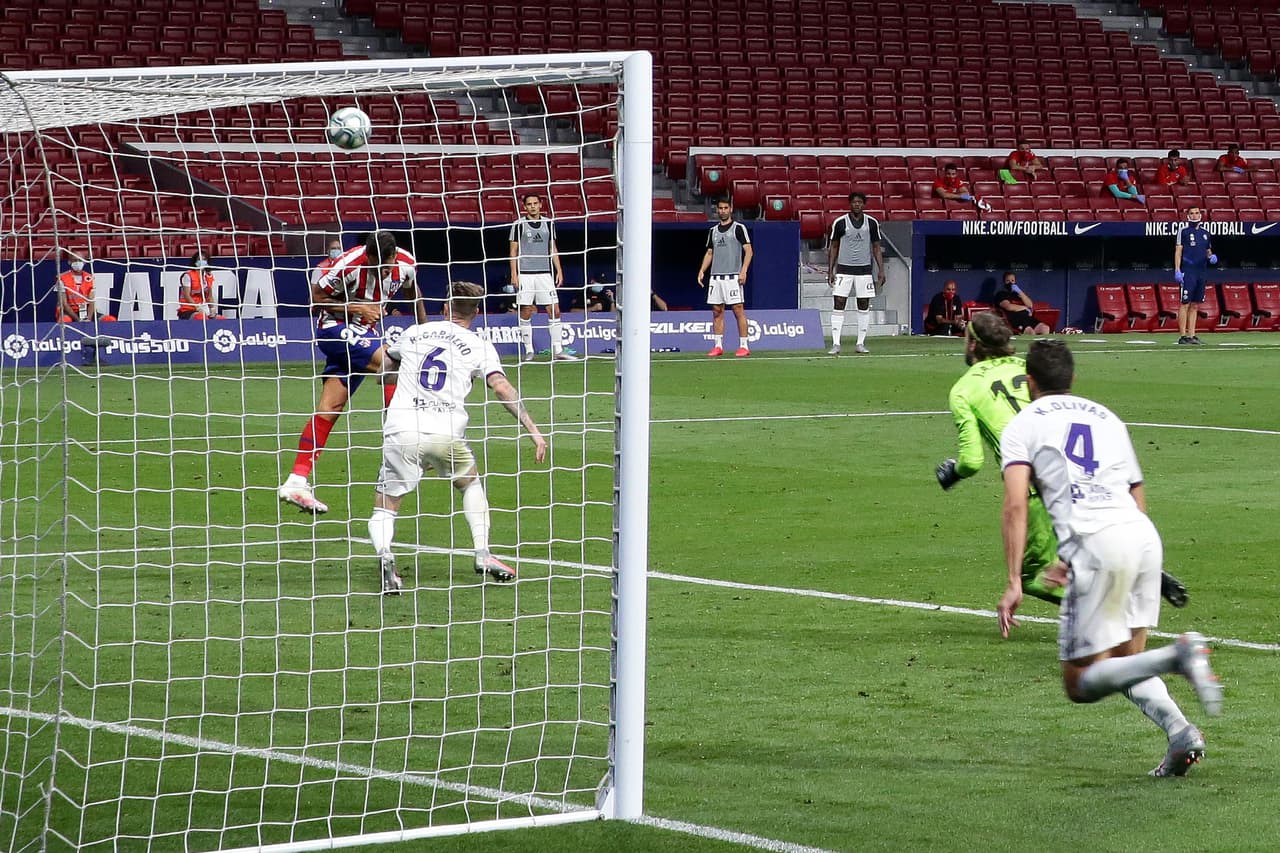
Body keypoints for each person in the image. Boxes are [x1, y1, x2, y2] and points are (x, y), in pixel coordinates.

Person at [997, 339, 1221, 778]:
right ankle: (1180, 733)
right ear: (1073, 379)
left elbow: (1015, 504)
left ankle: (1178, 656)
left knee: (1080, 684)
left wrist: (1014, 581)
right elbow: (1136, 493)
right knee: (1122, 659)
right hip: (1140, 537)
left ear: (1028, 382)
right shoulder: (1107, 417)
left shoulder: (1022, 424)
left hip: (1099, 544)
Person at [935, 312, 1187, 609]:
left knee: (1033, 575)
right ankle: (1129, 575)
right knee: (1074, 554)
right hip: (1077, 471)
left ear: (973, 345)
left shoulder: (964, 389)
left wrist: (954, 472)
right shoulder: (1029, 367)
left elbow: (972, 460)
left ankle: (1105, 605)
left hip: (1033, 480)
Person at [368, 281, 548, 594]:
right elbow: (502, 388)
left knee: (386, 505)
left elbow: (385, 367)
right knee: (470, 484)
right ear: (476, 311)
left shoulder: (413, 333)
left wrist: (390, 374)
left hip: (402, 429)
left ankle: (385, 556)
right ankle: (482, 553)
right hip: (446, 433)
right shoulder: (479, 345)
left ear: (446, 307)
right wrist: (534, 432)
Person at [278, 230, 426, 514]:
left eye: (382, 267)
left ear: (393, 258)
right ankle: (402, 441)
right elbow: (315, 300)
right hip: (333, 329)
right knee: (391, 364)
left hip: (363, 335)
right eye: (373, 266)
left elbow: (412, 291)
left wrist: (425, 329)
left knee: (330, 407)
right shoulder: (347, 265)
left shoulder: (406, 263)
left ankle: (296, 480)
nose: (377, 271)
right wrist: (355, 306)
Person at [510, 194, 576, 361]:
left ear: (540, 205)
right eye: (529, 204)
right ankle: (529, 350)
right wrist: (514, 274)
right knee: (526, 311)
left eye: (535, 203)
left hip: (545, 274)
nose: (532, 206)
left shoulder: (548, 223)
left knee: (554, 309)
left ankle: (558, 350)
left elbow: (552, 248)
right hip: (525, 274)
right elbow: (513, 252)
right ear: (524, 206)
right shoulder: (519, 225)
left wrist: (559, 270)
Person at [826, 191, 886, 355]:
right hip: (844, 269)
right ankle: (836, 343)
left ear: (864, 204)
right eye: (854, 202)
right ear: (850, 204)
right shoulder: (840, 222)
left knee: (864, 305)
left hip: (864, 270)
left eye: (860, 202)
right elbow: (834, 247)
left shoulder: (872, 223)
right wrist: (830, 269)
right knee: (839, 303)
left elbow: (876, 247)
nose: (857, 205)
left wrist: (881, 270)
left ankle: (860, 343)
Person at [696, 197, 753, 357]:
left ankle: (744, 345)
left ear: (731, 209)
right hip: (716, 277)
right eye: (720, 208)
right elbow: (709, 252)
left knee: (738, 309)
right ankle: (718, 345)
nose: (722, 211)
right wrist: (702, 270)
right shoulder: (713, 231)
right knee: (716, 311)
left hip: (733, 276)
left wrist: (744, 271)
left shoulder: (738, 228)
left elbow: (748, 250)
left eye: (725, 208)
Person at [57, 251, 117, 366]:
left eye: (80, 260)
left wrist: (88, 318)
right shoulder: (62, 278)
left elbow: (91, 301)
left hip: (86, 311)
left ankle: (105, 353)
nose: (77, 263)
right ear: (69, 262)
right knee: (65, 321)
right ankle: (66, 355)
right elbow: (63, 302)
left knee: (110, 319)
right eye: (75, 260)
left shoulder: (89, 278)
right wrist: (77, 318)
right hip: (70, 311)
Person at [1174, 205, 1217, 346]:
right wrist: (1177, 269)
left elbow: (1207, 250)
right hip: (1188, 271)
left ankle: (1192, 335)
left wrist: (1211, 256)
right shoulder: (1183, 231)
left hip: (1201, 272)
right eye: (1191, 213)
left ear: (1200, 214)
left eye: (1197, 213)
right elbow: (1178, 251)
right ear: (1187, 215)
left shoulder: (1205, 233)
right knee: (1185, 303)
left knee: (1195, 305)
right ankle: (1183, 336)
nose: (1194, 215)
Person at [992, 271, 1051, 336]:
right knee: (1030, 332)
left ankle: (1042, 346)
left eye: (1012, 280)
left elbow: (1030, 305)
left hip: (1027, 318)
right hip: (1014, 320)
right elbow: (1008, 307)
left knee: (1045, 328)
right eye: (1007, 281)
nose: (1010, 283)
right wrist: (1025, 308)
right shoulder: (1001, 294)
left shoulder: (1017, 294)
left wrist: (1020, 292)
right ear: (1004, 282)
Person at [178, 251, 225, 320]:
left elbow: (209, 296)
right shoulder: (188, 275)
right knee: (201, 318)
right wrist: (197, 307)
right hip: (188, 310)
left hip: (204, 309)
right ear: (195, 261)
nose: (202, 261)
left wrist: (212, 309)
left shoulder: (208, 276)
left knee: (221, 319)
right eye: (199, 259)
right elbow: (187, 296)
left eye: (204, 260)